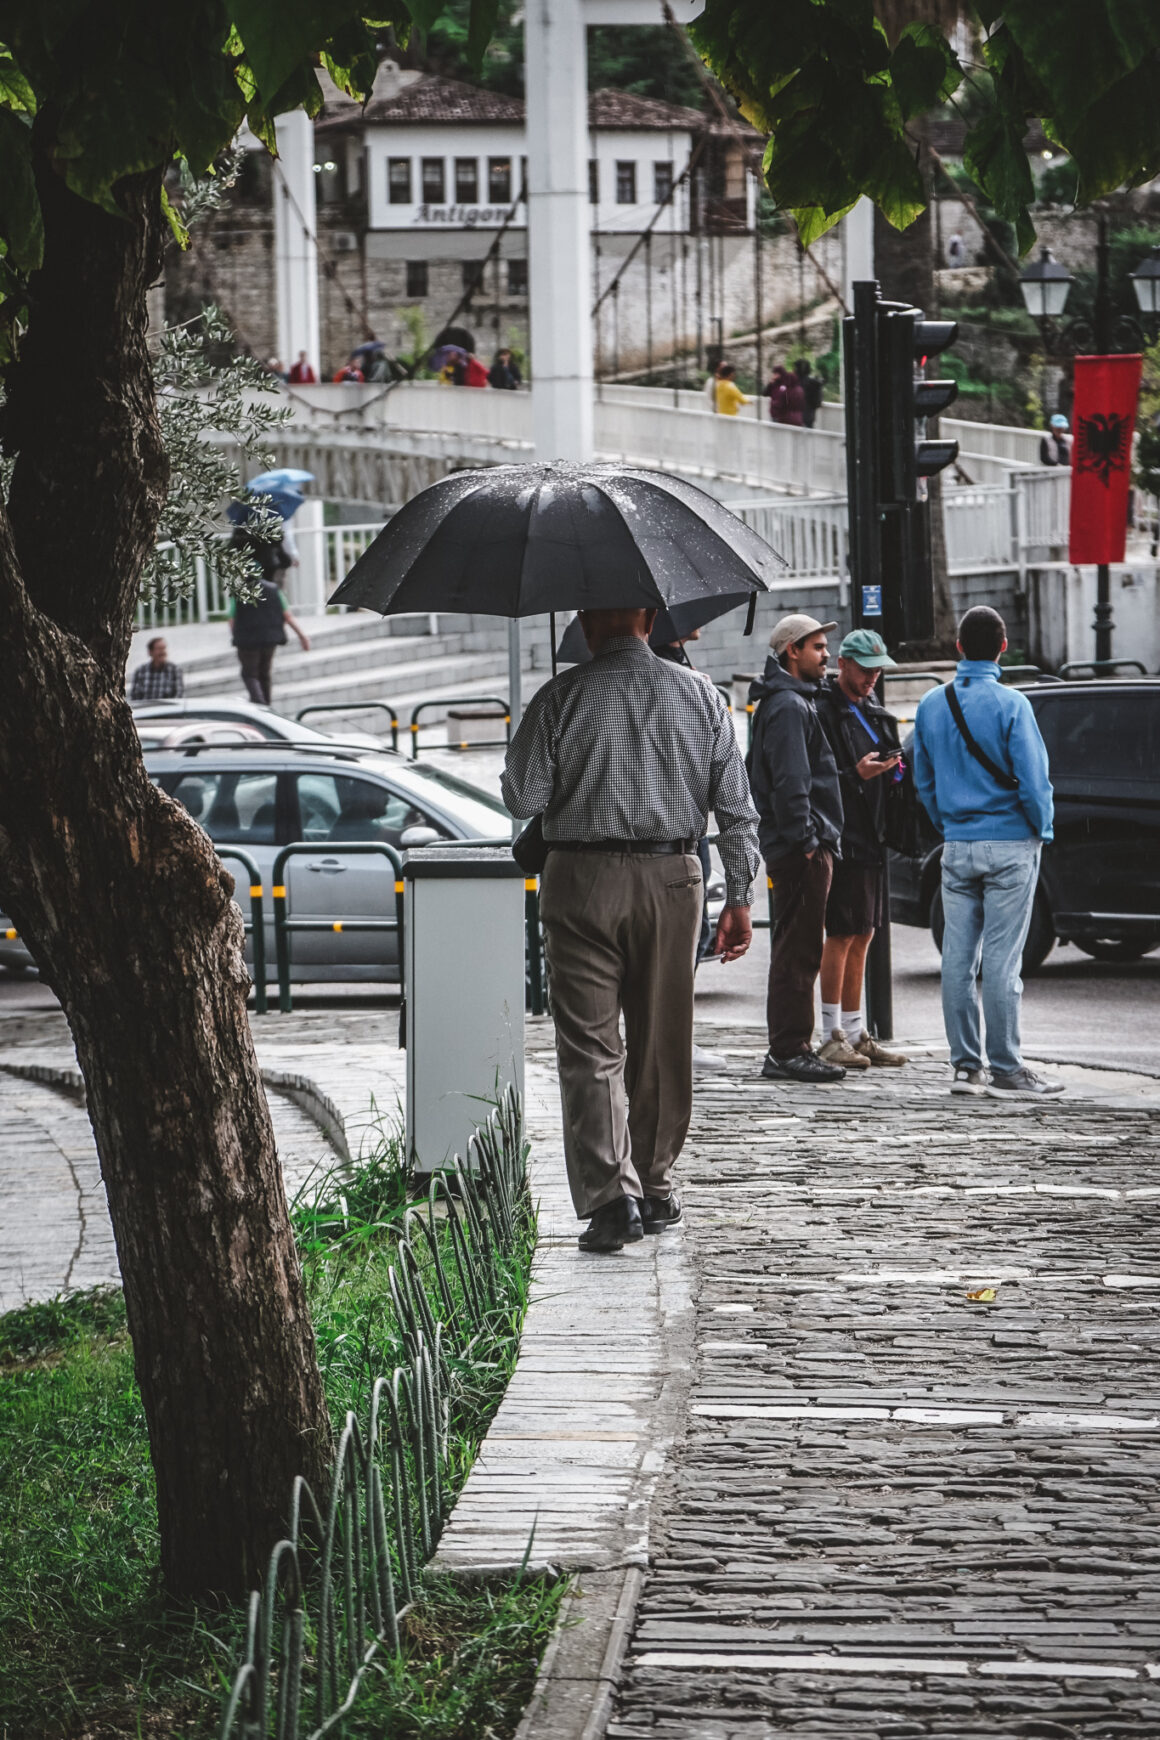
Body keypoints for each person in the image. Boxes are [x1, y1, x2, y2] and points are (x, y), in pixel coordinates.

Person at [501, 607, 759, 1254]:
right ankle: (658, 1183)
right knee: (662, 1037)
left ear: (589, 622)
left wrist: (544, 753)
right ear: (650, 617)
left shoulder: (560, 695)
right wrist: (741, 896)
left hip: (581, 878)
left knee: (589, 1045)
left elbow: (523, 799)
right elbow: (735, 807)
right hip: (674, 877)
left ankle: (613, 1199)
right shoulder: (702, 695)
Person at [912, 606, 1062, 1099]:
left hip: (957, 844)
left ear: (958, 648)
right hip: (1010, 843)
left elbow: (923, 779)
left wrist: (950, 823)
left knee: (957, 958)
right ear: (1002, 648)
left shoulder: (932, 704)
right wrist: (1040, 828)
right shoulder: (1013, 704)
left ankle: (964, 1066)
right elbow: (1034, 780)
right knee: (1001, 961)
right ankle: (1007, 1068)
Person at [748, 614, 846, 1083]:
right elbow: (791, 781)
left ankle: (791, 1047)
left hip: (799, 843)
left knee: (798, 945)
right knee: (798, 949)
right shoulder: (788, 705)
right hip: (799, 848)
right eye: (819, 647)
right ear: (793, 651)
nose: (827, 655)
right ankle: (789, 1050)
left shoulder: (790, 701)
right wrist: (806, 841)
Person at [814, 629, 908, 1070]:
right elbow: (819, 773)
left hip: (872, 832)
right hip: (842, 834)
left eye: (878, 669)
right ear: (843, 665)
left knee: (866, 932)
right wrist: (857, 774)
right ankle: (831, 1032)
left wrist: (893, 773)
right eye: (866, 669)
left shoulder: (874, 711)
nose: (873, 677)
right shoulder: (823, 709)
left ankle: (854, 1030)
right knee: (841, 933)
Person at [653, 625, 727, 1075]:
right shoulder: (685, 683)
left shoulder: (687, 675)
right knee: (681, 943)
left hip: (685, 833)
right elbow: (732, 796)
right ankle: (673, 1040)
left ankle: (671, 1040)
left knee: (686, 942)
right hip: (679, 838)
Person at [228, 533, 311, 706]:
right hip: (269, 639)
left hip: (247, 640)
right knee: (264, 674)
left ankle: (259, 702)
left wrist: (235, 635)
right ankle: (266, 706)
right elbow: (287, 616)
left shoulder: (239, 593)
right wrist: (302, 636)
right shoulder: (274, 590)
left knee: (249, 674)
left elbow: (232, 619)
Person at [129, 636, 184, 701]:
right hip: (146, 709)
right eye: (159, 649)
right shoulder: (140, 671)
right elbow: (135, 697)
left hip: (168, 710)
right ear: (150, 652)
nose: (163, 652)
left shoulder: (175, 670)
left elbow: (178, 696)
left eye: (164, 648)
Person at [794, 358, 823, 429]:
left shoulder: (794, 383)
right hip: (809, 416)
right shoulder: (815, 383)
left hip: (796, 417)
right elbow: (818, 403)